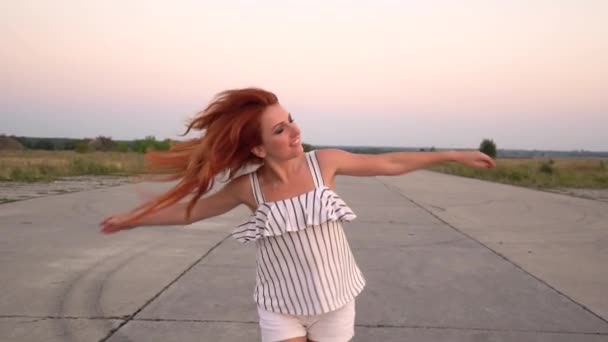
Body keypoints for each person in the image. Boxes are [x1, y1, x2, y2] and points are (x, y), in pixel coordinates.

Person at [99, 88, 496, 342]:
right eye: (279, 130)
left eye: (290, 120)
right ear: (257, 149)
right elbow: (190, 214)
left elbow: (389, 162)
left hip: (335, 302)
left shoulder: (324, 163)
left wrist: (453, 154)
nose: (294, 131)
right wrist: (132, 218)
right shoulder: (247, 188)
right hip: (281, 306)